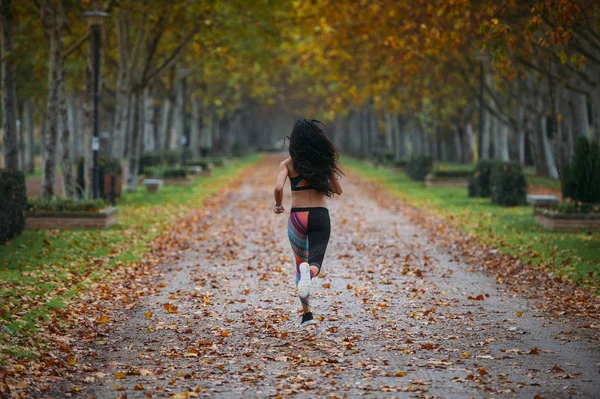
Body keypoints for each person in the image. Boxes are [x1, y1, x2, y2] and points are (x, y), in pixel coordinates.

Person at [273, 118, 343, 327]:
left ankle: (307, 315)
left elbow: (278, 188)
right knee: (315, 262)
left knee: (299, 264)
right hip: (320, 216)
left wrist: (278, 206)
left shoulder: (287, 164)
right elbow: (338, 191)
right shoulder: (323, 161)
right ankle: (310, 273)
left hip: (297, 218)